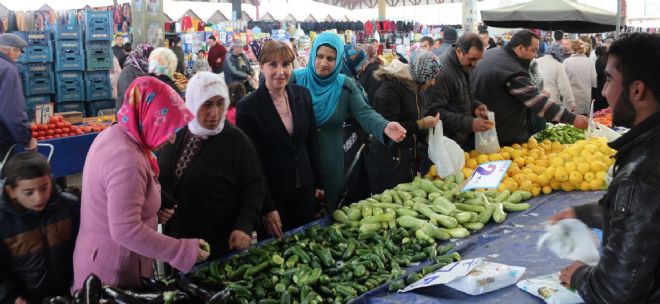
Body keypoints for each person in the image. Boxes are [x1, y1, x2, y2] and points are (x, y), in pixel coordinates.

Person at [551, 33, 660, 303]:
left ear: (637, 90)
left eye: (609, 79)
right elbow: (647, 218)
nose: (603, 92)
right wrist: (582, 212)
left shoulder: (640, 175)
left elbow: (616, 291)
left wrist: (578, 275)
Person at [72, 77, 208, 290]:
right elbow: (125, 229)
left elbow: (121, 203)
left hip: (98, 259)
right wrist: (181, 251)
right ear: (149, 118)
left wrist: (152, 212)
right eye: (168, 129)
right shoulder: (128, 159)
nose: (171, 139)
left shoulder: (114, 134)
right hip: (113, 272)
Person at [292, 32, 407, 211]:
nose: (324, 63)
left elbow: (366, 114)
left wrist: (385, 126)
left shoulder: (345, 85)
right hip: (299, 164)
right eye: (320, 56)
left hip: (330, 163)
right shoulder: (294, 81)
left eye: (331, 58)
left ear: (338, 61)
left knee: (328, 213)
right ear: (313, 54)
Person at [158, 72, 265, 257]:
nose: (215, 113)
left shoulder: (237, 142)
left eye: (220, 103)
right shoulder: (176, 134)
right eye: (206, 104)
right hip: (177, 241)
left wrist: (244, 225)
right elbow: (161, 178)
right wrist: (158, 206)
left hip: (217, 244)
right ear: (192, 103)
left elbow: (254, 186)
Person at [236, 41, 323, 239]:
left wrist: (319, 182)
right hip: (273, 196)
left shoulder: (302, 95)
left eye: (285, 64)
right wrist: (266, 207)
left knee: (308, 247)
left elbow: (312, 142)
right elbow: (251, 163)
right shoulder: (248, 107)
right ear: (262, 66)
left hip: (305, 191)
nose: (280, 71)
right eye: (273, 65)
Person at [470, 30, 588, 146]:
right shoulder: (513, 71)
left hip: (482, 125)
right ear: (520, 48)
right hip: (503, 133)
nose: (536, 55)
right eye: (533, 50)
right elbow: (539, 104)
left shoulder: (492, 53)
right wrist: (573, 119)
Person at [0, 152, 79, 304]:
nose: (39, 197)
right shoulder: (3, 222)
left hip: (69, 294)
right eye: (29, 192)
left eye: (44, 188)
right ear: (11, 191)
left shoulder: (70, 207)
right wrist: (11, 297)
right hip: (26, 299)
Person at [366, 50, 441, 193]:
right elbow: (389, 128)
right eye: (431, 77)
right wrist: (422, 123)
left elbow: (411, 118)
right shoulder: (390, 90)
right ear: (422, 73)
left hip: (405, 160)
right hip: (389, 165)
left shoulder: (414, 88)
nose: (433, 82)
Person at [424, 33, 490, 150]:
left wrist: (475, 105)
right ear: (459, 51)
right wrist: (469, 123)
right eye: (472, 59)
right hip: (443, 145)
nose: (475, 64)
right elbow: (433, 112)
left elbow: (459, 95)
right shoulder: (442, 73)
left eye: (478, 59)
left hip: (457, 140)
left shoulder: (464, 65)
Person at [0, 33, 36, 158]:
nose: (19, 56)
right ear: (12, 50)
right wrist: (26, 138)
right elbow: (11, 110)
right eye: (19, 52)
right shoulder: (8, 69)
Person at [536, 42, 576, 112]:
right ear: (559, 54)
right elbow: (564, 87)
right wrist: (571, 103)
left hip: (535, 100)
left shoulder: (535, 62)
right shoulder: (558, 65)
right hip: (551, 102)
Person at [115, 43, 154, 110]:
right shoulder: (127, 72)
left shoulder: (146, 71)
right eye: (150, 56)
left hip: (142, 114)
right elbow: (128, 96)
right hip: (127, 115)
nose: (153, 60)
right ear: (142, 56)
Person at [563, 41, 597, 115]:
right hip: (585, 96)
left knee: (569, 121)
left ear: (572, 49)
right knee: (584, 121)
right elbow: (594, 81)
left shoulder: (566, 62)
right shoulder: (589, 62)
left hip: (570, 96)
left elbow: (562, 80)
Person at [592, 45, 608, 112]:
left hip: (600, 84)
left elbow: (598, 73)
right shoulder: (606, 59)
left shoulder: (598, 60)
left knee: (600, 104)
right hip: (606, 83)